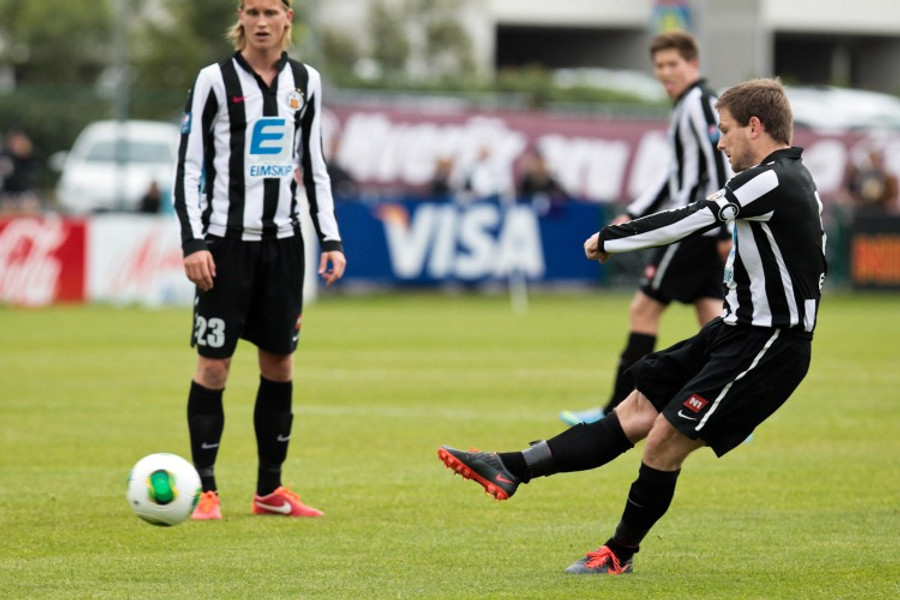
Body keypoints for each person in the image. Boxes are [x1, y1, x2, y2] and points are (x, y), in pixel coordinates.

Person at [438, 77, 827, 575]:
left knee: (664, 439)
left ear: (755, 127)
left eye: (725, 129)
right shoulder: (787, 177)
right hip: (735, 330)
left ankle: (618, 553)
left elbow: (695, 217)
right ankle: (511, 467)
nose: (719, 142)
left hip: (769, 343)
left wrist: (613, 237)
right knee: (636, 408)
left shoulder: (772, 179)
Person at [172, 0, 346, 521]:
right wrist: (193, 243)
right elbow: (188, 167)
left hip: (284, 245)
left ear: (288, 17)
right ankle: (205, 490)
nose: (262, 21)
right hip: (225, 245)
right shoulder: (213, 80)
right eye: (252, 11)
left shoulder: (306, 81)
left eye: (271, 11)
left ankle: (270, 490)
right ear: (241, 18)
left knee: (280, 363)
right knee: (213, 366)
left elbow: (313, 164)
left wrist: (330, 239)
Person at [559, 30, 732, 427]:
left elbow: (720, 164)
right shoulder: (688, 104)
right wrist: (632, 213)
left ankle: (614, 413)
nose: (665, 72)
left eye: (673, 64)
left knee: (643, 309)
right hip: (705, 231)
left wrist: (724, 231)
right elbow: (674, 175)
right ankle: (723, 412)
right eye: (659, 66)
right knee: (714, 320)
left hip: (693, 230)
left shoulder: (699, 104)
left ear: (693, 64)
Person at [844, 145, 898, 215]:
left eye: (877, 158)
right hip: (863, 208)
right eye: (872, 158)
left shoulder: (887, 177)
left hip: (881, 209)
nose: (874, 161)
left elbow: (891, 196)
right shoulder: (860, 174)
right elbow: (853, 190)